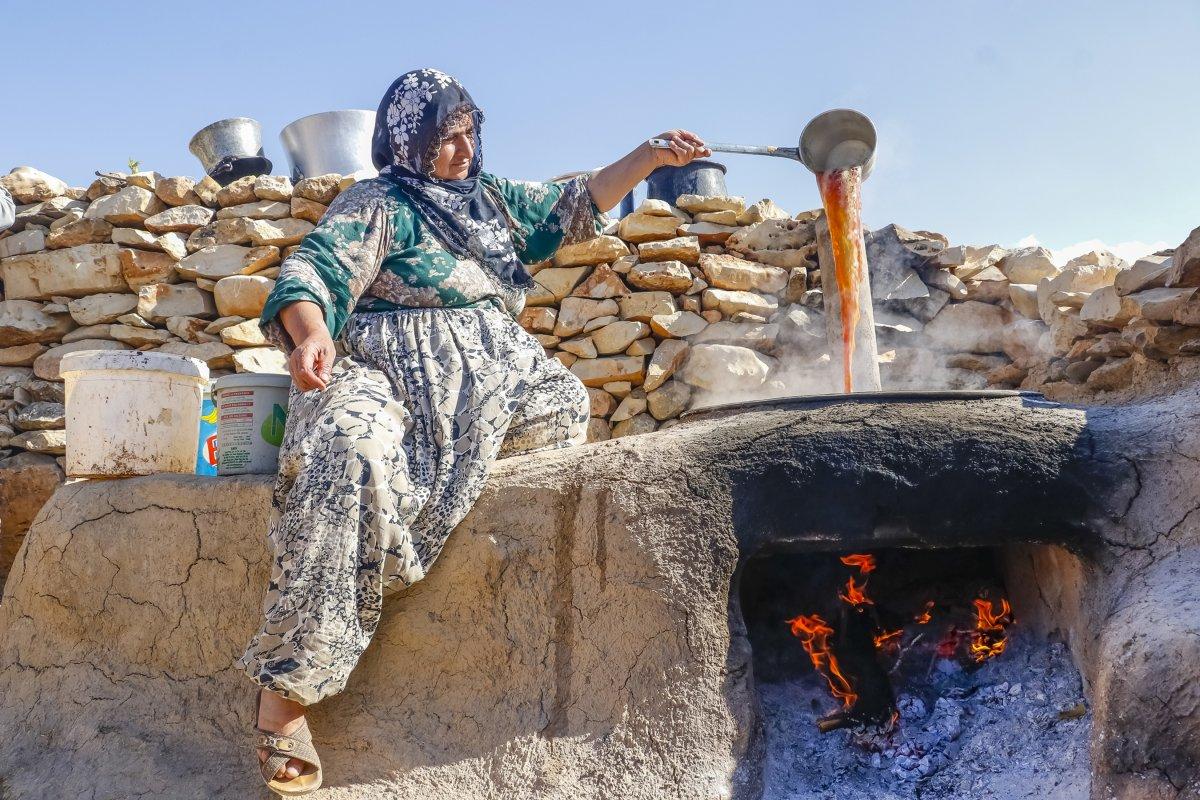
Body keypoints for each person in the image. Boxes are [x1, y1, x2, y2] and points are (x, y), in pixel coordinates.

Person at [239, 67, 710, 795]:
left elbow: (573, 203)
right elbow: (311, 274)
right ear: (406, 144)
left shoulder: (491, 203)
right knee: (351, 455)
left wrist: (648, 156)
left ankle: (424, 516)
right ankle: (286, 695)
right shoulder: (379, 204)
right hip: (386, 373)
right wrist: (308, 337)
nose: (461, 150)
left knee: (563, 406)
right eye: (443, 138)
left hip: (488, 390)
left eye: (467, 132)